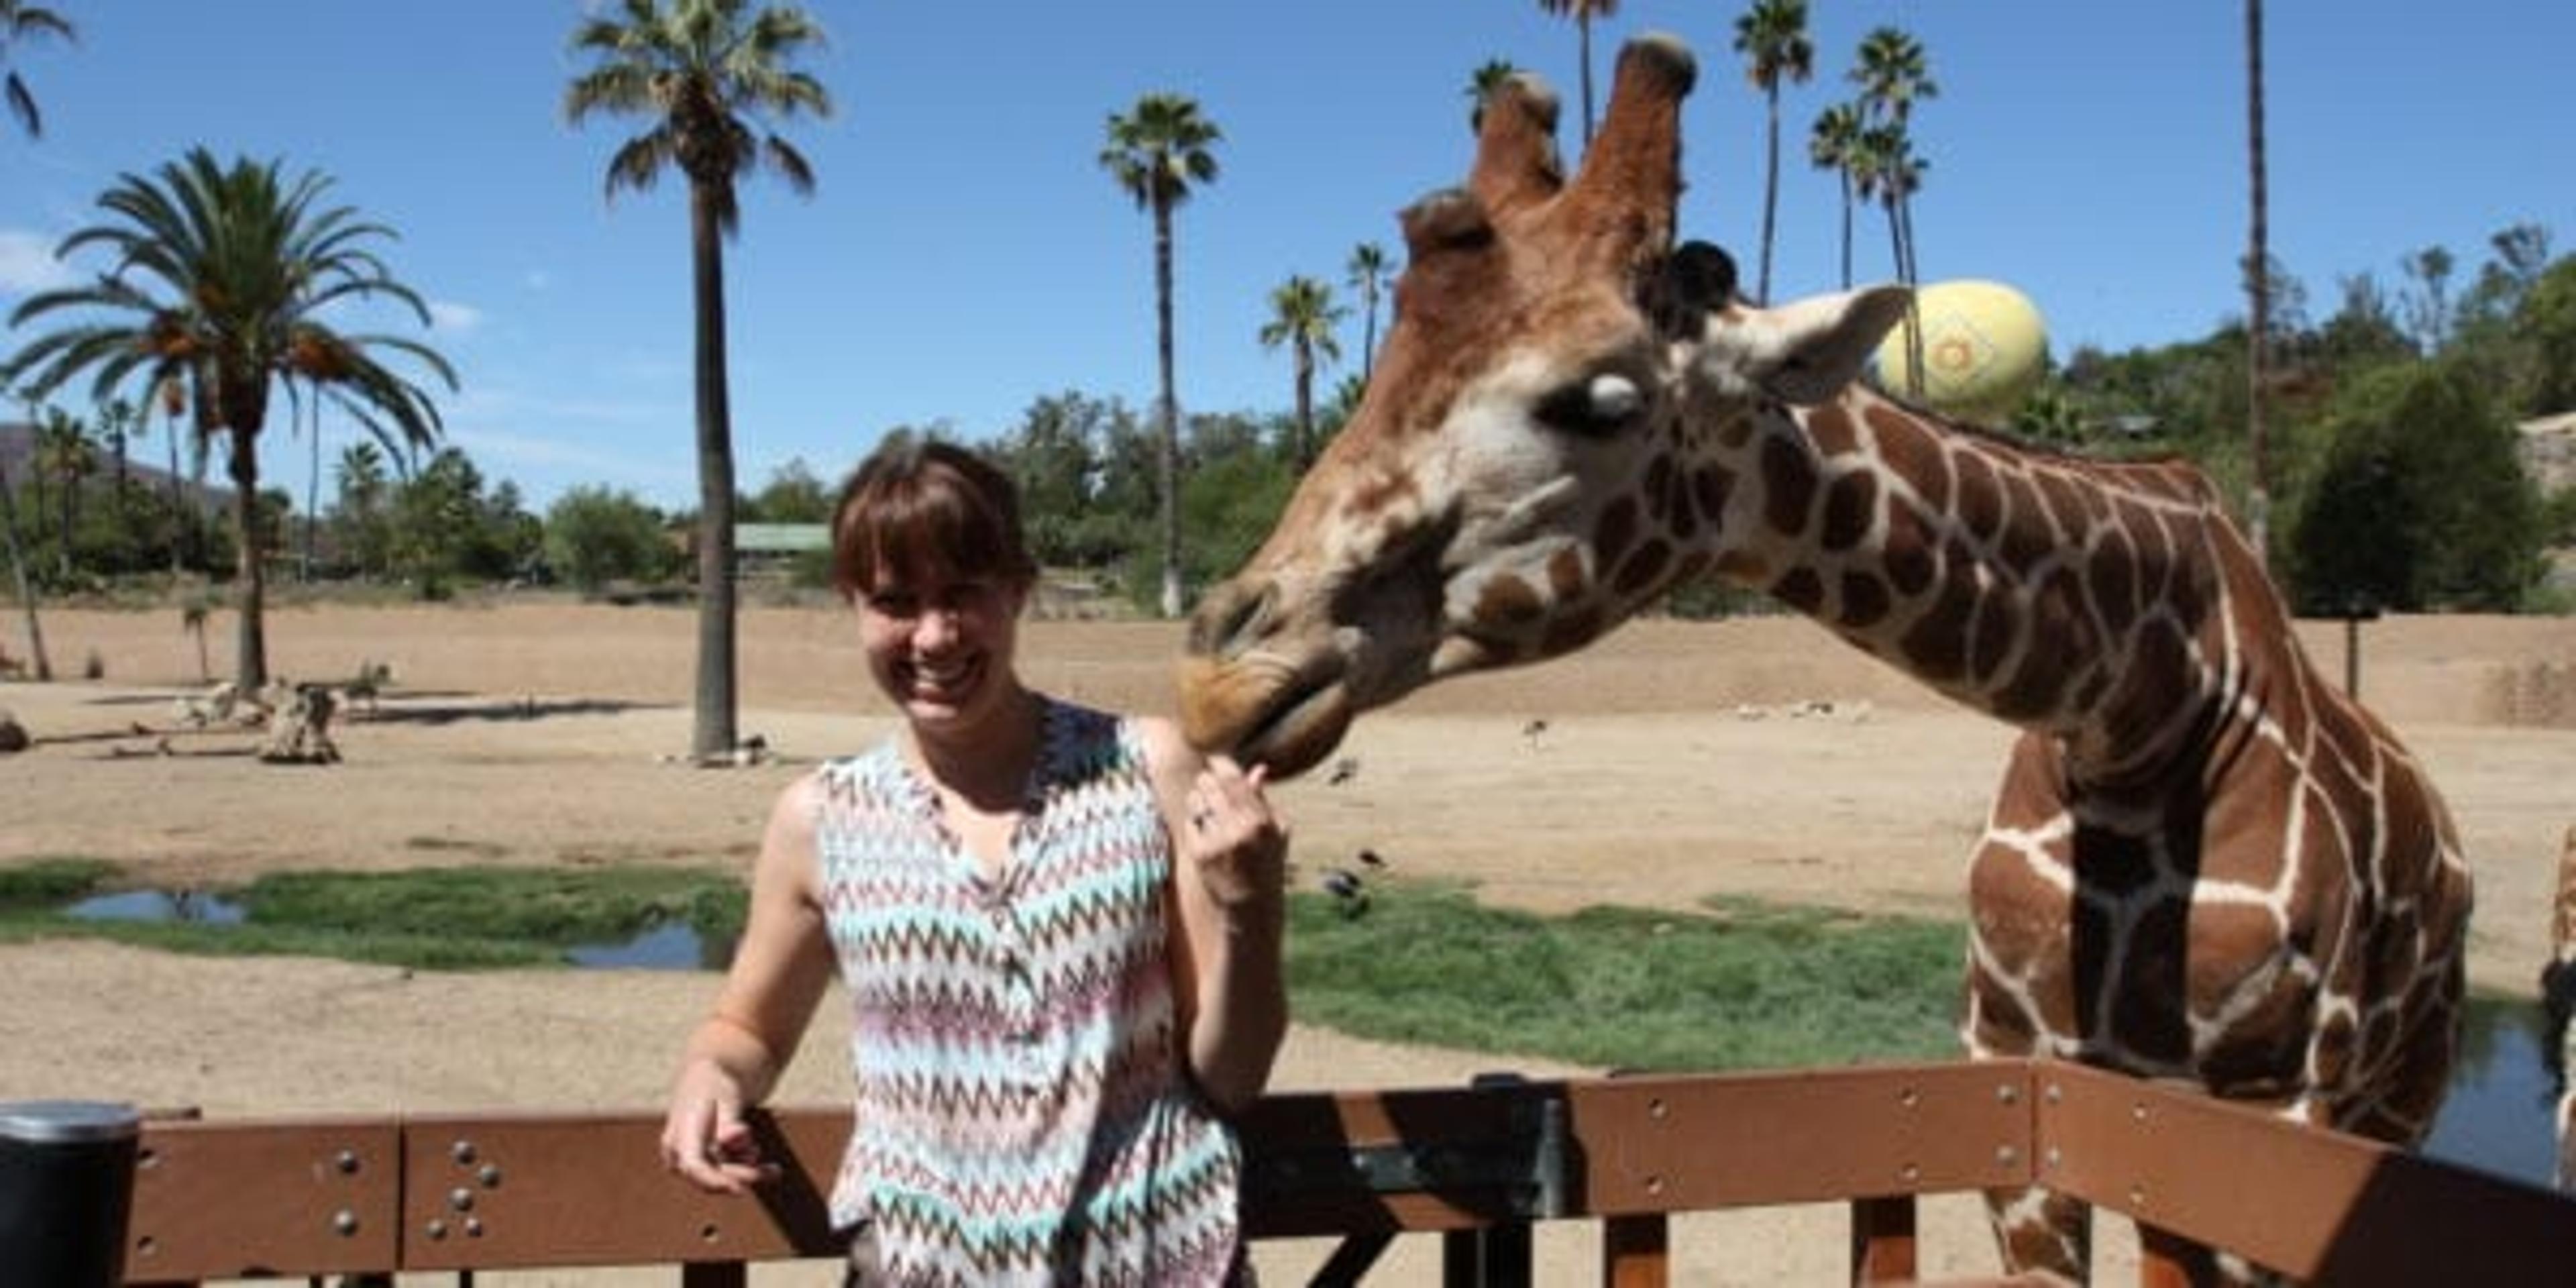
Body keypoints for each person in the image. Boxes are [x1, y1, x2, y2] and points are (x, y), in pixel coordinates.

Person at [658, 439, 1289, 1285]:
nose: (934, 635)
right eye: (895, 601)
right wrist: (710, 1076)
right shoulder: (823, 819)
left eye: (964, 594)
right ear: (853, 605)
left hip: (1158, 1260)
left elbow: (1232, 1076)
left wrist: (1252, 905)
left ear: (1019, 591)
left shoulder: (1147, 767)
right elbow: (749, 1029)